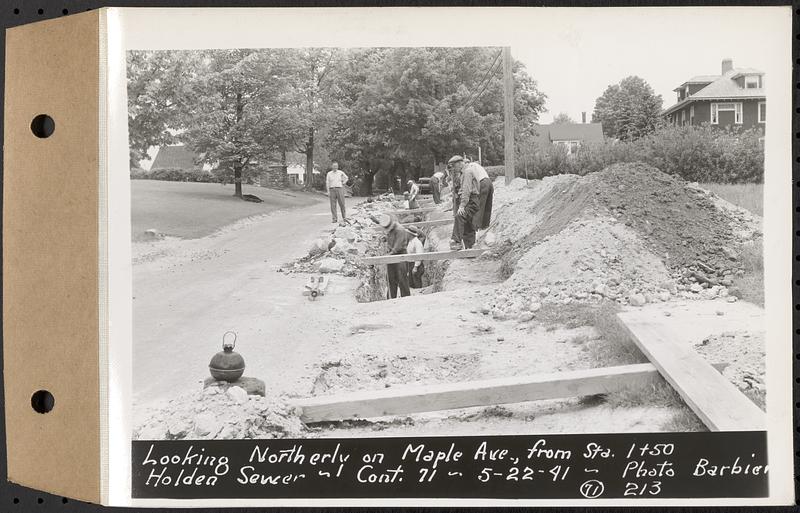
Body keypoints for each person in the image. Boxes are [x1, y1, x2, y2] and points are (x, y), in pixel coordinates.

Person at [449, 155, 494, 250]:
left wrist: (462, 205)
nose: (454, 169)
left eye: (454, 166)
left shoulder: (467, 172)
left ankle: (456, 241)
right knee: (468, 222)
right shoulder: (465, 172)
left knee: (460, 216)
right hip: (472, 199)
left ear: (460, 164)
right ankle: (470, 245)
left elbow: (467, 190)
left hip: (471, 200)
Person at [376, 214, 412, 298]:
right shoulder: (390, 229)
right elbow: (390, 237)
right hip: (391, 255)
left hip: (400, 255)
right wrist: (385, 238)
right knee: (390, 278)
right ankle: (392, 298)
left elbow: (397, 247)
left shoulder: (400, 230)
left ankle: (406, 298)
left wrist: (388, 255)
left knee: (402, 278)